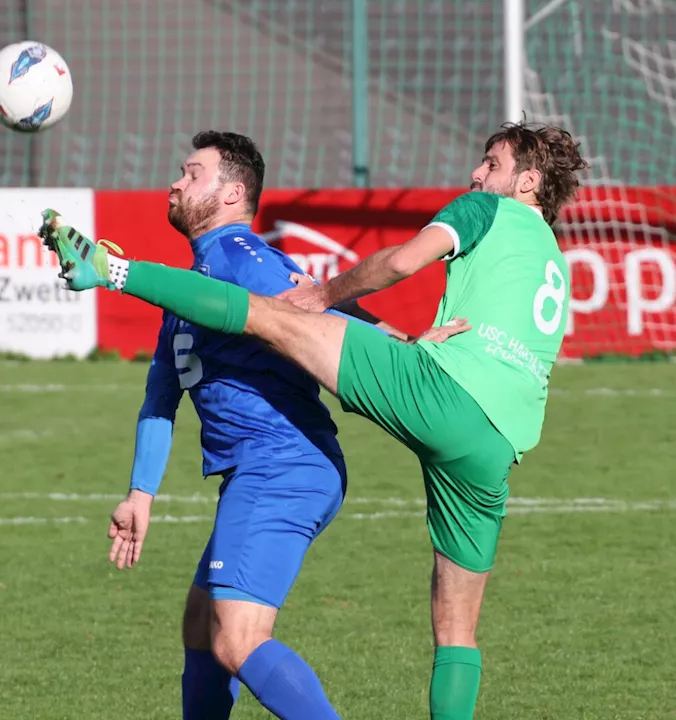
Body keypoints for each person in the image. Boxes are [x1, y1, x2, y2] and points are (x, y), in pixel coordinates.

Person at [44, 120, 588, 720]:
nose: (476, 174)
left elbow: (398, 264)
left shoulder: (480, 210)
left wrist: (330, 299)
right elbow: (161, 393)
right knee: (450, 633)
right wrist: (140, 493)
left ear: (527, 180)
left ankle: (110, 270)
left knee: (269, 320)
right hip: (498, 441)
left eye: (490, 163)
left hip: (380, 421)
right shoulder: (553, 261)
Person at [100, 130, 464, 720]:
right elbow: (160, 398)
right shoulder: (195, 279)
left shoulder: (241, 259)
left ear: (231, 193)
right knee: (200, 626)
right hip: (262, 469)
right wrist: (140, 495)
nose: (175, 182)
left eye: (191, 173)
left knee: (236, 639)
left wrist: (407, 349)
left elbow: (325, 312)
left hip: (283, 465)